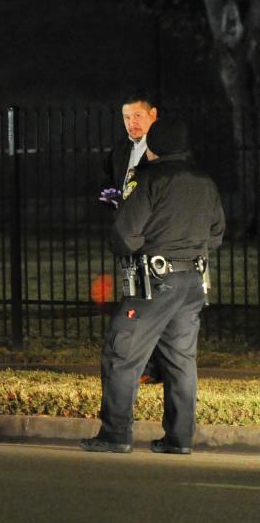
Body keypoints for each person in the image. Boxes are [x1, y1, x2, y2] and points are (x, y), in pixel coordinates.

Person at [81, 118, 225, 454]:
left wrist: (144, 249)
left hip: (155, 282)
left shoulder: (149, 179)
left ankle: (115, 434)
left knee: (122, 354)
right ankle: (179, 439)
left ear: (153, 147)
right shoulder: (206, 182)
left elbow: (125, 234)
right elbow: (217, 233)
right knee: (181, 361)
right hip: (193, 283)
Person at [100, 90, 163, 383]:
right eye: (126, 117)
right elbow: (112, 183)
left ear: (153, 115)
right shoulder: (120, 151)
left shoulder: (164, 152)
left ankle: (155, 366)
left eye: (137, 116)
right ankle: (146, 366)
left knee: (156, 304)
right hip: (131, 237)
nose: (131, 123)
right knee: (135, 302)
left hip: (157, 239)